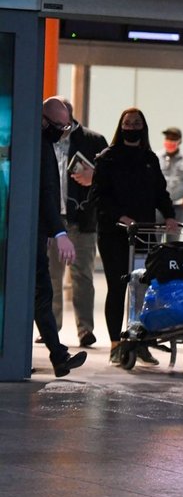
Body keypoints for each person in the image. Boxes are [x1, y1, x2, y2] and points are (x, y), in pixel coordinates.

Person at [91, 108, 178, 366]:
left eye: (137, 123)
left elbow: (160, 192)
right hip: (114, 233)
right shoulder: (107, 158)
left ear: (144, 127)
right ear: (121, 126)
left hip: (145, 232)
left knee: (143, 288)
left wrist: (169, 215)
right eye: (128, 123)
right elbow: (98, 197)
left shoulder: (149, 158)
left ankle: (140, 341)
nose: (132, 126)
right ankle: (116, 344)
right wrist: (120, 216)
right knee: (118, 287)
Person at [46, 98, 107, 348]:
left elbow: (110, 178)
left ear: (69, 116)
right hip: (52, 218)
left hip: (82, 219)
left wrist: (95, 176)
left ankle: (85, 329)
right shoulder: (44, 139)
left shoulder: (93, 140)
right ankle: (51, 326)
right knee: (52, 276)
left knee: (83, 275)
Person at [35, 97, 87, 377]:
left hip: (36, 232)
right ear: (43, 120)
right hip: (32, 232)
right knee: (41, 292)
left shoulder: (42, 143)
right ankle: (57, 356)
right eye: (59, 126)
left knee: (40, 292)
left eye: (66, 127)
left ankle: (58, 356)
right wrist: (59, 232)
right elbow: (45, 193)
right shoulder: (39, 147)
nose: (62, 132)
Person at [158, 127, 183, 241]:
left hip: (178, 207)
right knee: (155, 240)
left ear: (179, 141)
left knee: (173, 241)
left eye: (173, 139)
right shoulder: (156, 157)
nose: (169, 141)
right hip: (159, 207)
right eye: (167, 138)